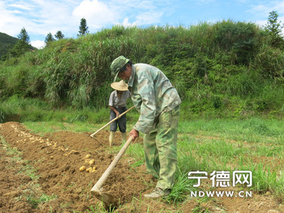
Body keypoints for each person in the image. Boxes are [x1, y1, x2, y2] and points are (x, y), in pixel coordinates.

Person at [110, 56, 181, 199]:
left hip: (167, 105)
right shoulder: (131, 80)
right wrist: (141, 125)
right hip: (155, 110)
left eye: (122, 74)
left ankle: (165, 187)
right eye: (119, 76)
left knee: (163, 142)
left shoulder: (142, 73)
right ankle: (158, 175)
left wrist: (136, 128)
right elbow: (144, 105)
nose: (121, 77)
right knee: (149, 142)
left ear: (128, 66)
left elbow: (149, 104)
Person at [108, 80, 131, 146]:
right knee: (113, 126)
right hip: (114, 110)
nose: (121, 91)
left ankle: (124, 143)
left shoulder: (126, 92)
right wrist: (116, 112)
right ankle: (111, 143)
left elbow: (133, 96)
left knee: (122, 127)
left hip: (123, 110)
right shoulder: (113, 94)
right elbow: (110, 105)